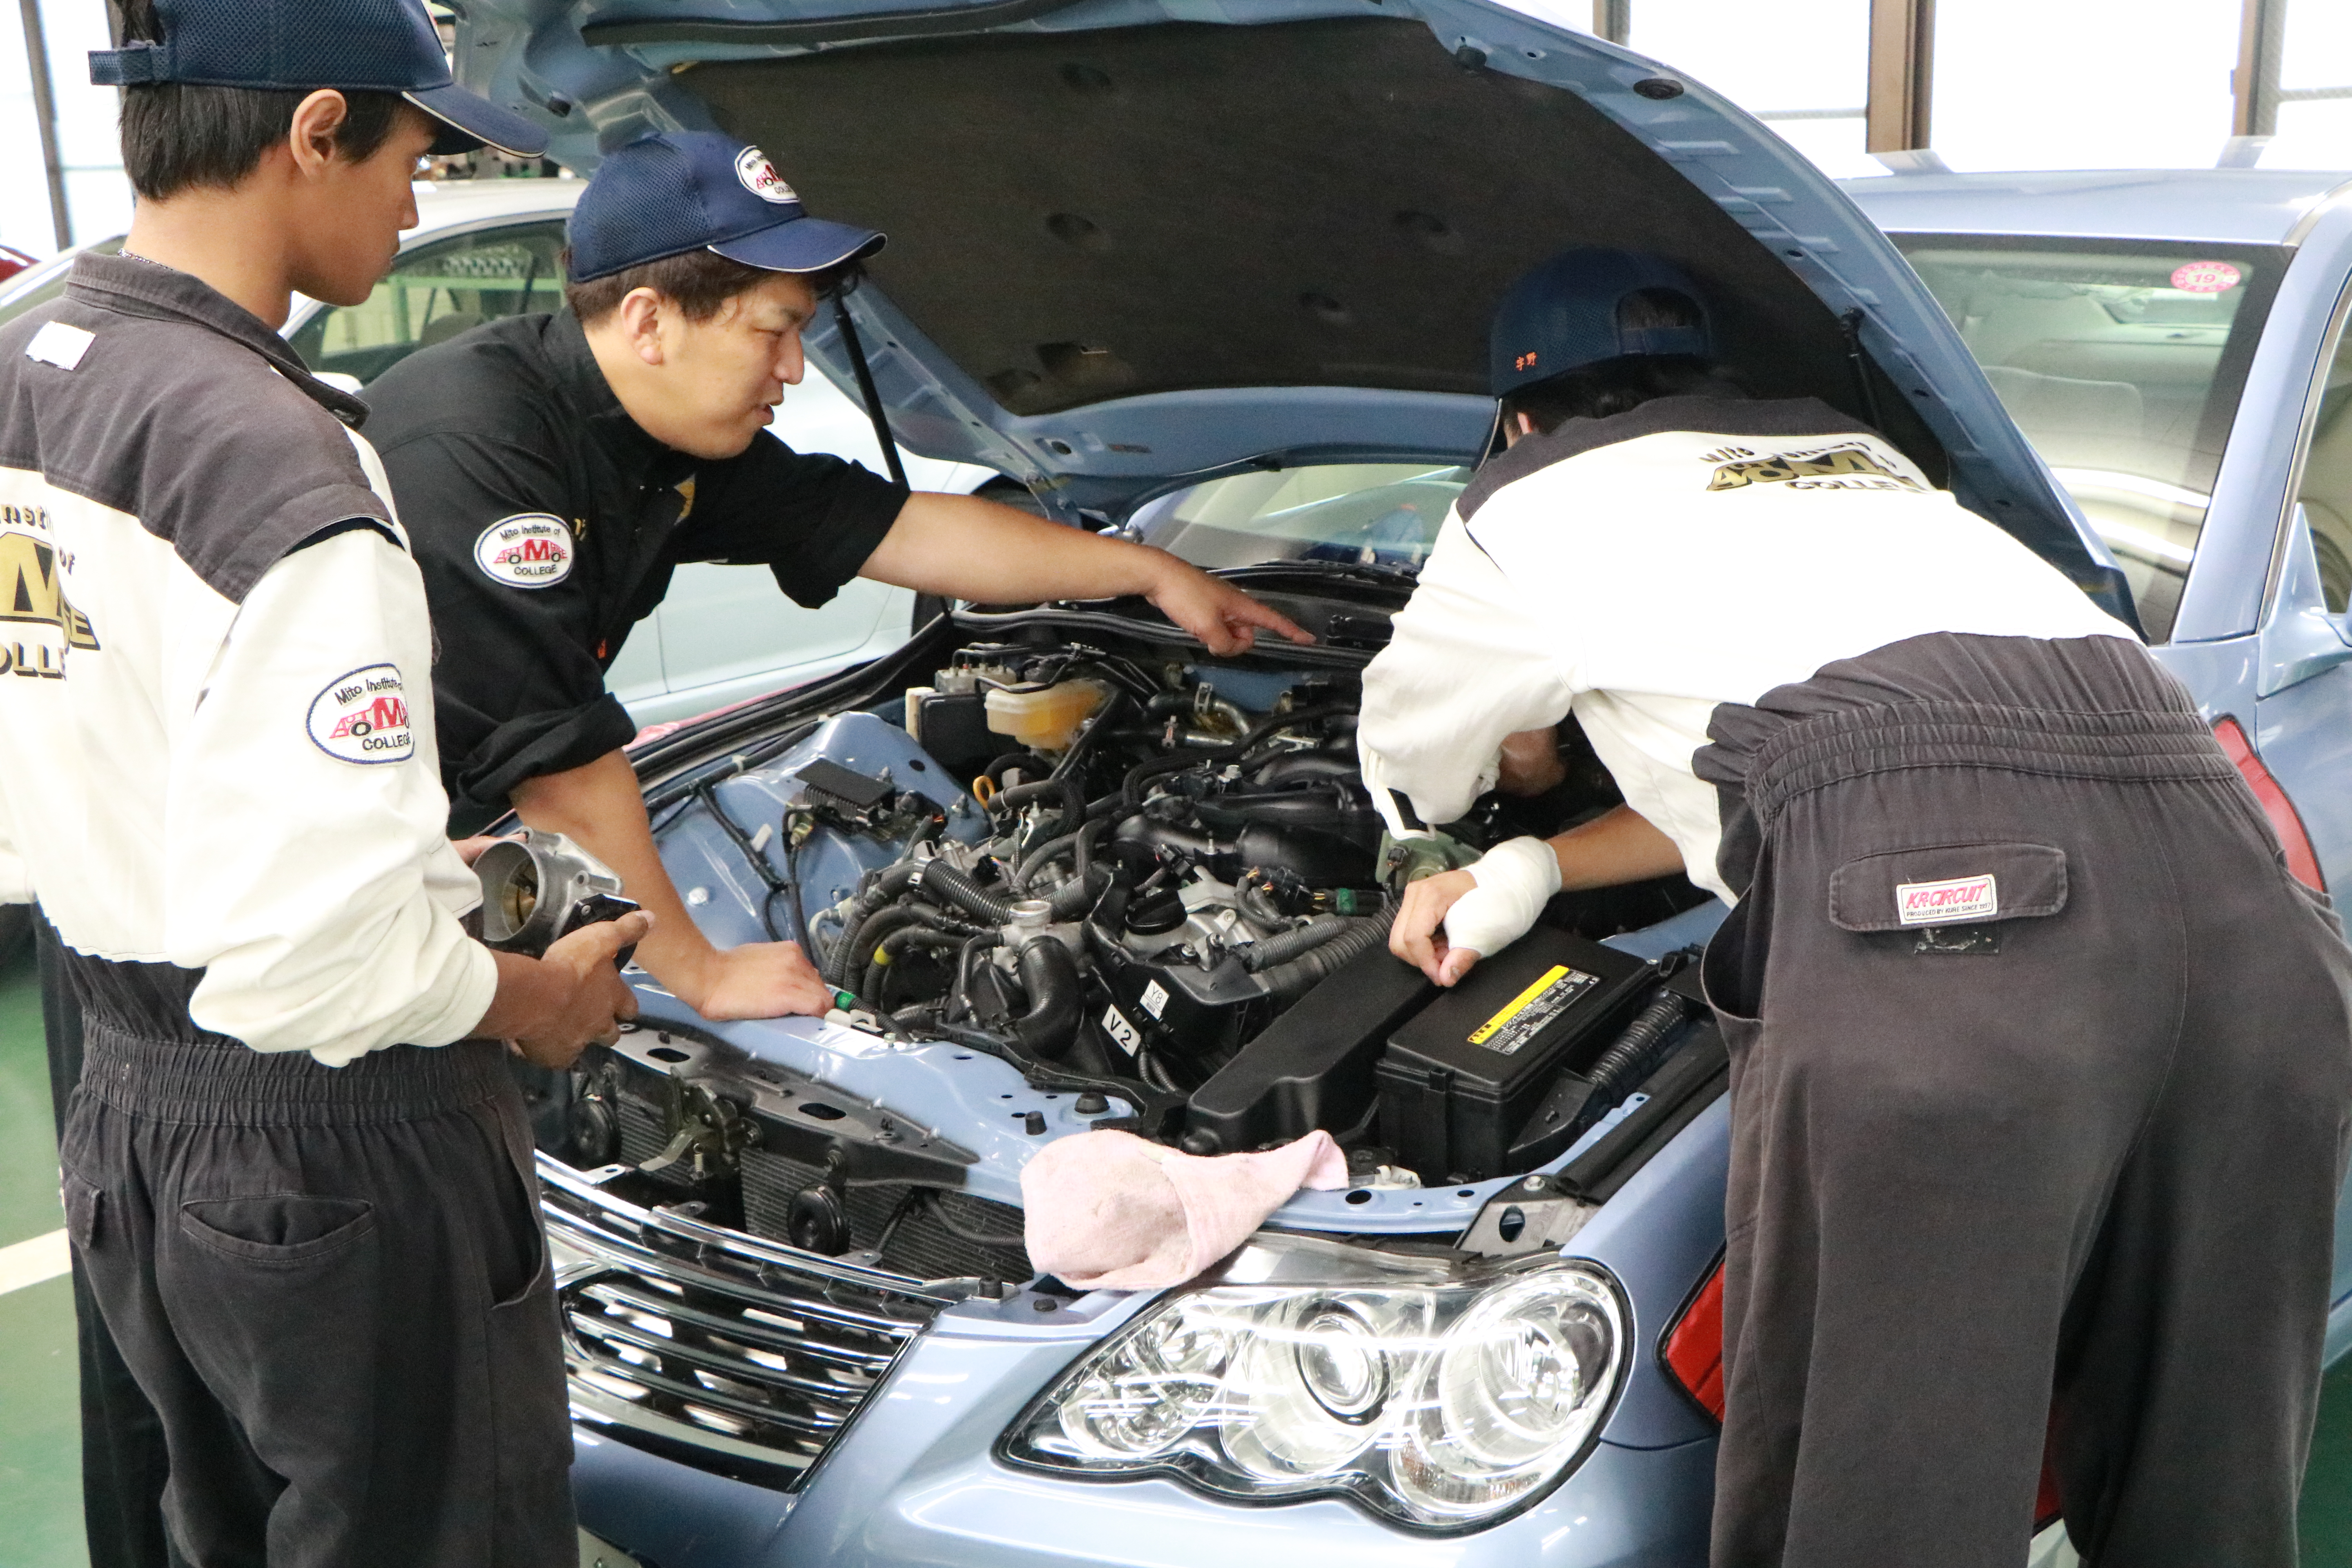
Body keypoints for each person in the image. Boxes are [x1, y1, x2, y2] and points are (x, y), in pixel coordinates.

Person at [1358, 248, 2352, 1568]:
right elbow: (1820, 757)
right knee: (2206, 1490)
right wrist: (1540, 868)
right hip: (2243, 908)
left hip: (1954, 939)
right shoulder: (1876, 471)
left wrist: (1439, 847)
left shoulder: (1520, 506)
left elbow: (1418, 760)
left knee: (1893, 1486)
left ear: (1519, 421)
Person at [0, 3, 648, 1564]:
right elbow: (316, 970)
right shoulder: (280, 470)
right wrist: (540, 1004)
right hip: (335, 1148)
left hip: (129, 1099)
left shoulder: (33, 371)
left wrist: (394, 864)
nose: (415, 204)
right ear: (313, 133)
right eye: (414, 157)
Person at [363, 130, 1311, 1023]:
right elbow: (562, 771)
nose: (793, 369)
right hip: (339, 900)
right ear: (650, 321)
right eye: (773, 331)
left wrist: (1147, 569)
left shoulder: (664, 434)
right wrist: (702, 971)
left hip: (439, 849)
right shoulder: (485, 447)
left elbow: (900, 528)